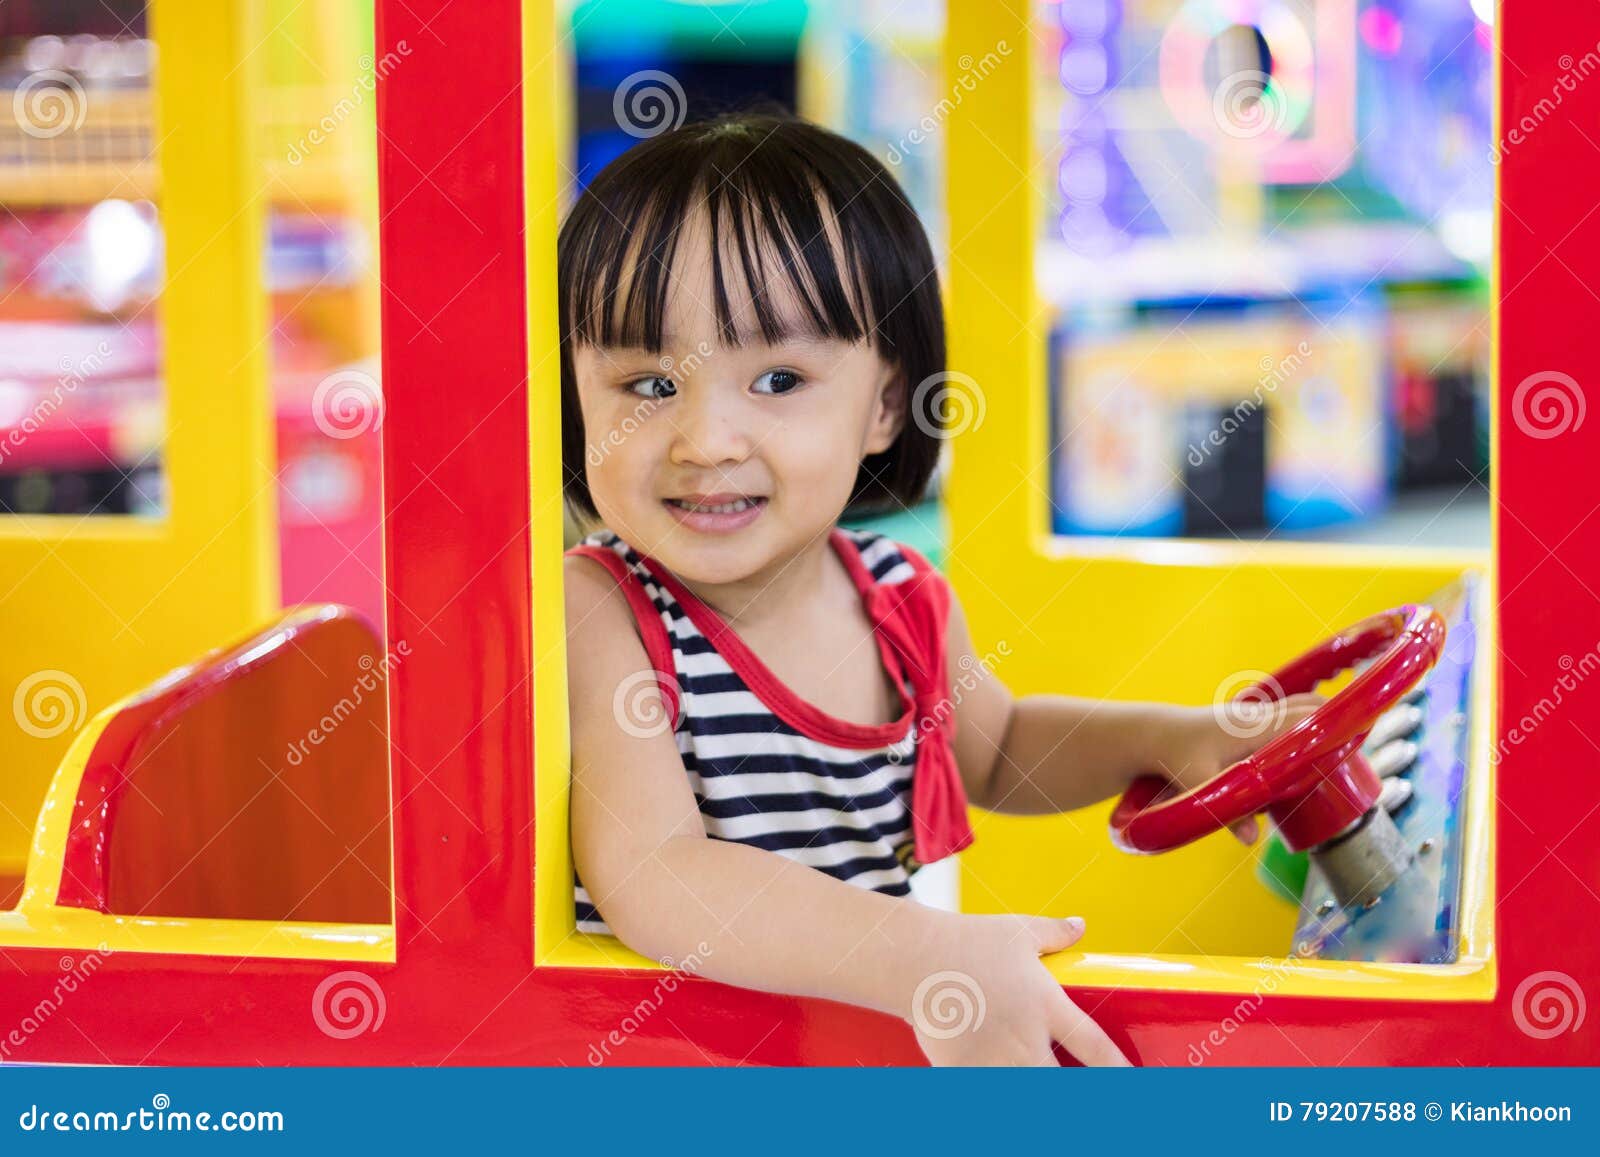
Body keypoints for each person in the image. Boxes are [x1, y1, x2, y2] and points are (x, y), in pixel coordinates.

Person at [560, 113, 1315, 1066]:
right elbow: (657, 874)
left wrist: (1173, 736)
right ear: (572, 396)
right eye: (647, 384)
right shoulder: (604, 613)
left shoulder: (898, 597)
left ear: (883, 405)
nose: (705, 440)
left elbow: (996, 751)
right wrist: (924, 955)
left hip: (848, 1060)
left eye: (780, 377)